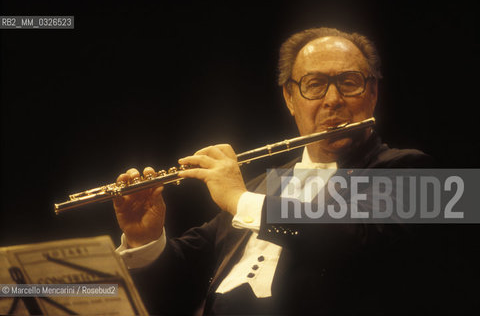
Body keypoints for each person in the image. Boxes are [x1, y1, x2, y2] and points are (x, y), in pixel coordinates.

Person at [114, 27, 435, 315]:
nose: (333, 100)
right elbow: (176, 286)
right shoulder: (260, 187)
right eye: (315, 85)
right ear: (290, 98)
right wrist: (144, 237)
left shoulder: (416, 171)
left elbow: (349, 238)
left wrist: (240, 200)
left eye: (349, 84)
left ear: (373, 93)